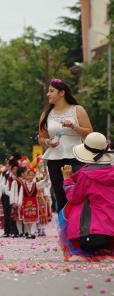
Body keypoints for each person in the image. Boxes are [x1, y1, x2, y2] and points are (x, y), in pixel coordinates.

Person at [38, 78, 92, 213]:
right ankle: (66, 230)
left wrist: (74, 126)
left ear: (62, 93)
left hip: (76, 157)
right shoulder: (46, 114)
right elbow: (41, 137)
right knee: (61, 196)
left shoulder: (77, 110)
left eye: (51, 91)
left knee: (78, 194)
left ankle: (80, 228)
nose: (48, 94)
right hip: (55, 159)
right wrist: (47, 142)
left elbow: (89, 133)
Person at [58, 132, 114, 261]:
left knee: (73, 206)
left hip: (94, 233)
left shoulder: (86, 174)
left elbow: (74, 197)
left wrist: (67, 179)